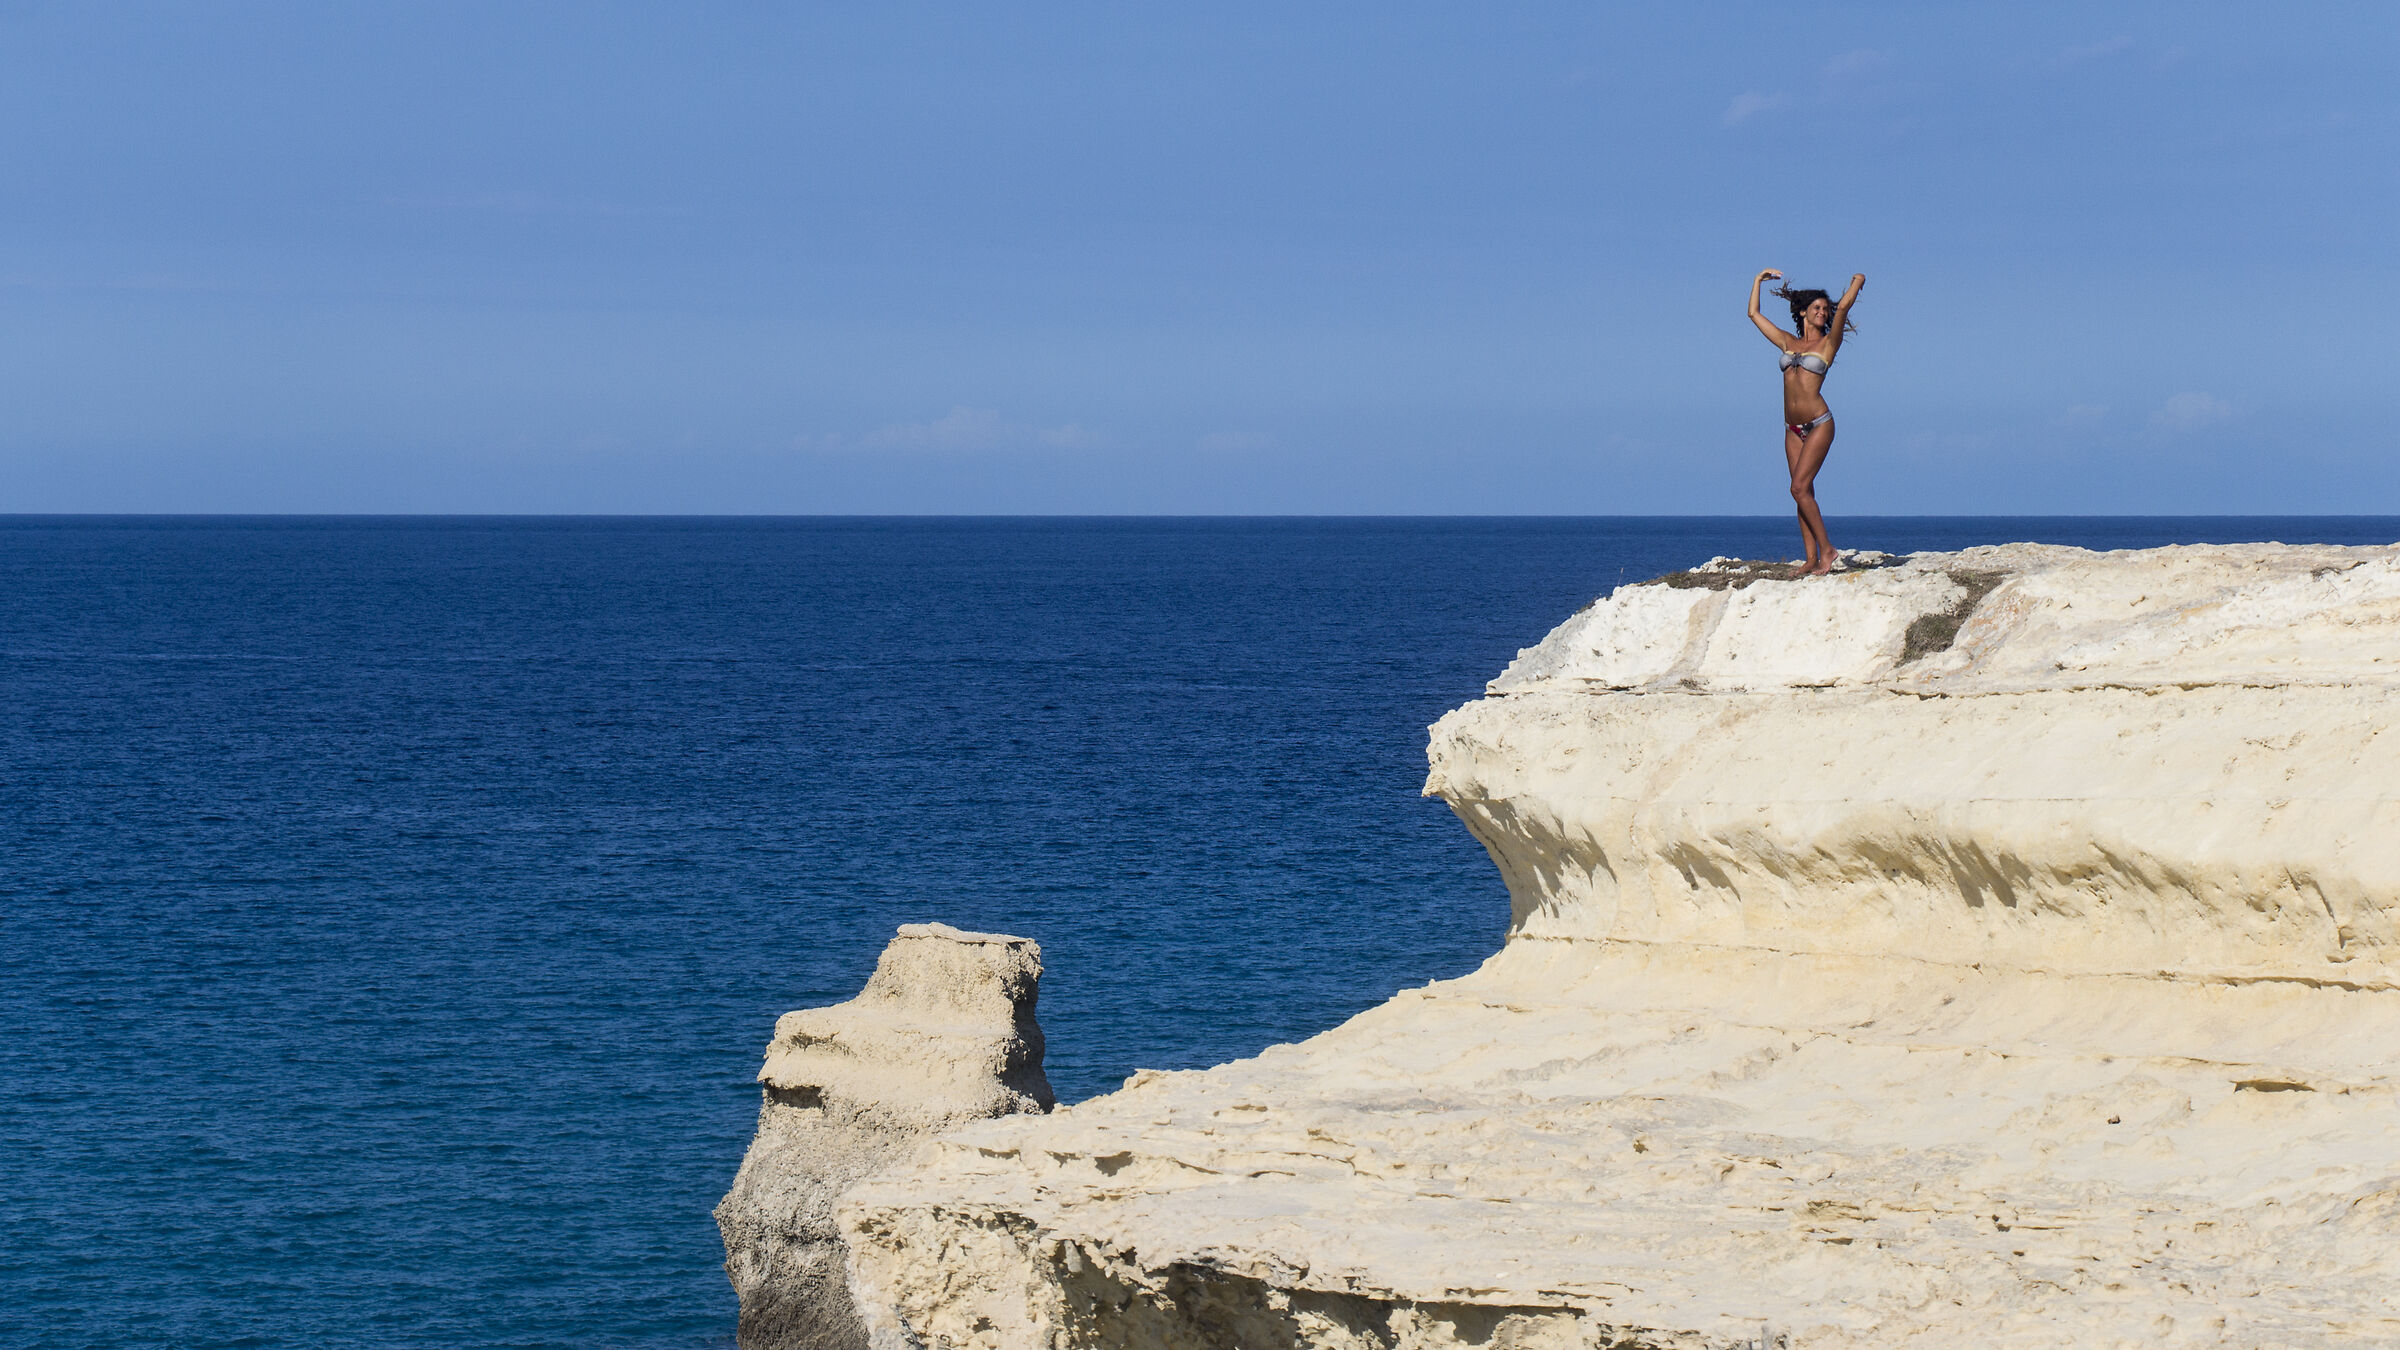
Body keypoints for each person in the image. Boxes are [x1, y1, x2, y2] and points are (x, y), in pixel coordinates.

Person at [1748, 269, 1864, 575]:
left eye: (1825, 309)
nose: (1823, 312)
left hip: (1819, 423)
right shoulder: (1787, 341)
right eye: (1817, 307)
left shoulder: (1829, 343)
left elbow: (1845, 306)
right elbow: (1753, 314)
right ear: (1803, 312)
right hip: (1792, 429)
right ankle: (1811, 558)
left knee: (1798, 488)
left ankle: (1827, 551)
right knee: (1802, 492)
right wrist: (1758, 281)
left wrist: (1858, 281)